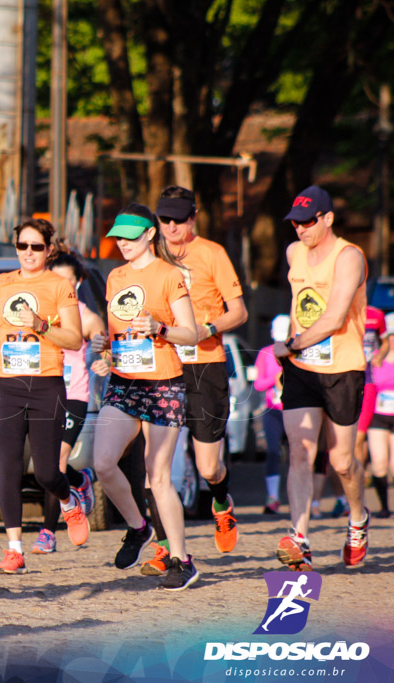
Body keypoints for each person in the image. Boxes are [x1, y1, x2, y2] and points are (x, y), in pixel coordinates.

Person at [137, 186, 247, 576]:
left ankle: (221, 502)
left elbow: (240, 312)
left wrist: (208, 328)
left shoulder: (212, 253)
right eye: (163, 220)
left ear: (193, 217)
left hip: (205, 364)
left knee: (207, 467)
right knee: (156, 467)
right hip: (162, 366)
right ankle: (165, 547)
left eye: (177, 220)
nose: (169, 227)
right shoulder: (151, 255)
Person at [90, 203, 200, 590]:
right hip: (123, 382)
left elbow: (192, 333)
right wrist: (105, 349)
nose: (122, 243)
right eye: (117, 237)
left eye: (130, 236)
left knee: (158, 476)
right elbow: (117, 333)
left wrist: (161, 327)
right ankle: (139, 529)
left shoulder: (170, 275)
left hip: (162, 383)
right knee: (102, 463)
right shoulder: (115, 276)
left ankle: (182, 560)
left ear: (150, 235)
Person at [0, 220, 88, 573]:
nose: (28, 253)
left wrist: (41, 324)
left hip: (45, 386)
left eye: (36, 247)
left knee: (45, 473)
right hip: (7, 384)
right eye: (22, 246)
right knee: (8, 469)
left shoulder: (59, 285)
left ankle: (69, 499)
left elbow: (74, 339)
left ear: (48, 250)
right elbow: (0, 321)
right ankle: (14, 550)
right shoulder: (4, 282)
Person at [272, 185, 369, 570]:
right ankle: (299, 538)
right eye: (295, 222)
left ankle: (358, 520)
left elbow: (333, 317)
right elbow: (299, 305)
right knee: (300, 451)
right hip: (302, 369)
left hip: (342, 367)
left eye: (308, 221)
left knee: (342, 461)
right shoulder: (294, 253)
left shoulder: (350, 257)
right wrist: (294, 351)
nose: (300, 229)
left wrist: (291, 344)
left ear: (328, 218)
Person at [31, 243, 104, 554]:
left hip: (74, 396)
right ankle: (82, 480)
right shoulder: (37, 316)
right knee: (46, 465)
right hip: (45, 394)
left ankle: (48, 532)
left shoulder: (86, 318)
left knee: (56, 462)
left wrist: (105, 357)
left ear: (76, 284)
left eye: (66, 282)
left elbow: (106, 346)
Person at [253, 314, 291, 514]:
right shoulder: (265, 353)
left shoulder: (297, 352)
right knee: (272, 452)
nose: (281, 343)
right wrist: (275, 379)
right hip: (273, 410)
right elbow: (258, 384)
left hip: (295, 409)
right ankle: (273, 497)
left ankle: (303, 498)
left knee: (299, 454)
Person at [366, 312, 394, 518]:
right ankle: (384, 507)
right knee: (378, 463)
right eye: (391, 336)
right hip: (378, 414)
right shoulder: (374, 358)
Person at [354, 306, 385, 469]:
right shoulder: (341, 310)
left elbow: (385, 342)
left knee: (358, 439)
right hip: (344, 380)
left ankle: (357, 488)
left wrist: (379, 355)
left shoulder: (376, 314)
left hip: (367, 381)